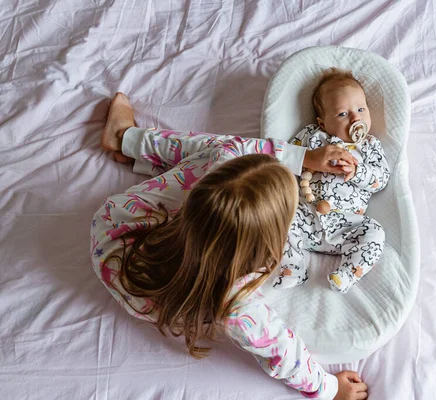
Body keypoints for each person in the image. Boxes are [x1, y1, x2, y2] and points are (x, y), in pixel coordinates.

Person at [91, 93, 368, 399]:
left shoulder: (216, 166)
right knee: (224, 152)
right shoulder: (235, 299)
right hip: (146, 289)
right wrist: (330, 389)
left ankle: (127, 141)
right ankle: (127, 143)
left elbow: (236, 150)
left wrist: (304, 158)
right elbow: (280, 349)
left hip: (113, 233)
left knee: (220, 149)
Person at [273, 69, 390, 294]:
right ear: (323, 123)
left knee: (375, 232)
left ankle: (347, 274)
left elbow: (381, 179)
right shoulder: (312, 136)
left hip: (345, 225)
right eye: (342, 114)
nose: (355, 118)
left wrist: (358, 172)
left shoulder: (370, 146)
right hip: (304, 215)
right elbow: (285, 159)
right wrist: (307, 160)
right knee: (276, 218)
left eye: (361, 109)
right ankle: (292, 267)